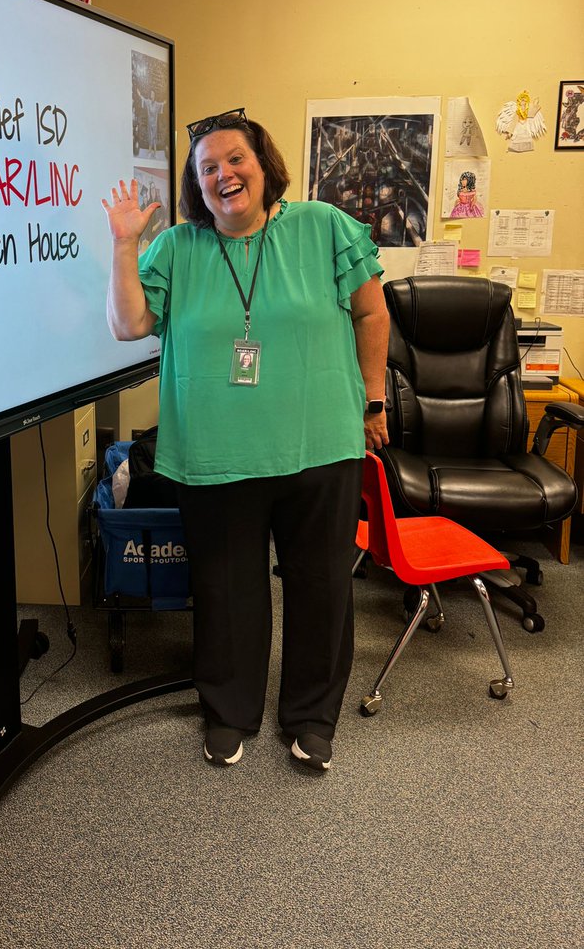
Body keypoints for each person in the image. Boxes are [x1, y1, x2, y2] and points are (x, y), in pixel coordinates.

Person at [102, 108, 389, 773]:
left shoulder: (323, 227)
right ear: (195, 184)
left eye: (236, 159)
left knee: (322, 587)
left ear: (263, 167)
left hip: (319, 444)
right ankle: (229, 710)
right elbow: (127, 324)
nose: (224, 175)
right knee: (227, 590)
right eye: (208, 168)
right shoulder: (177, 248)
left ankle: (312, 717)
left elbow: (371, 312)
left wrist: (373, 400)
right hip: (215, 453)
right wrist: (123, 245)